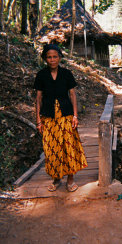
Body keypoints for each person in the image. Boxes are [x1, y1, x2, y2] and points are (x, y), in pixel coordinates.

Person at [34, 44, 87, 192]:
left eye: (55, 56)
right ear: (45, 59)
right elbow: (38, 98)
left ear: (60, 57)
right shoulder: (41, 75)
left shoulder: (67, 74)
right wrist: (38, 120)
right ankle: (56, 178)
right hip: (49, 117)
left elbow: (72, 95)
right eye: (49, 57)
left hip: (66, 115)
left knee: (68, 146)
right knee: (51, 148)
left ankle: (70, 179)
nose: (52, 60)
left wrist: (75, 115)